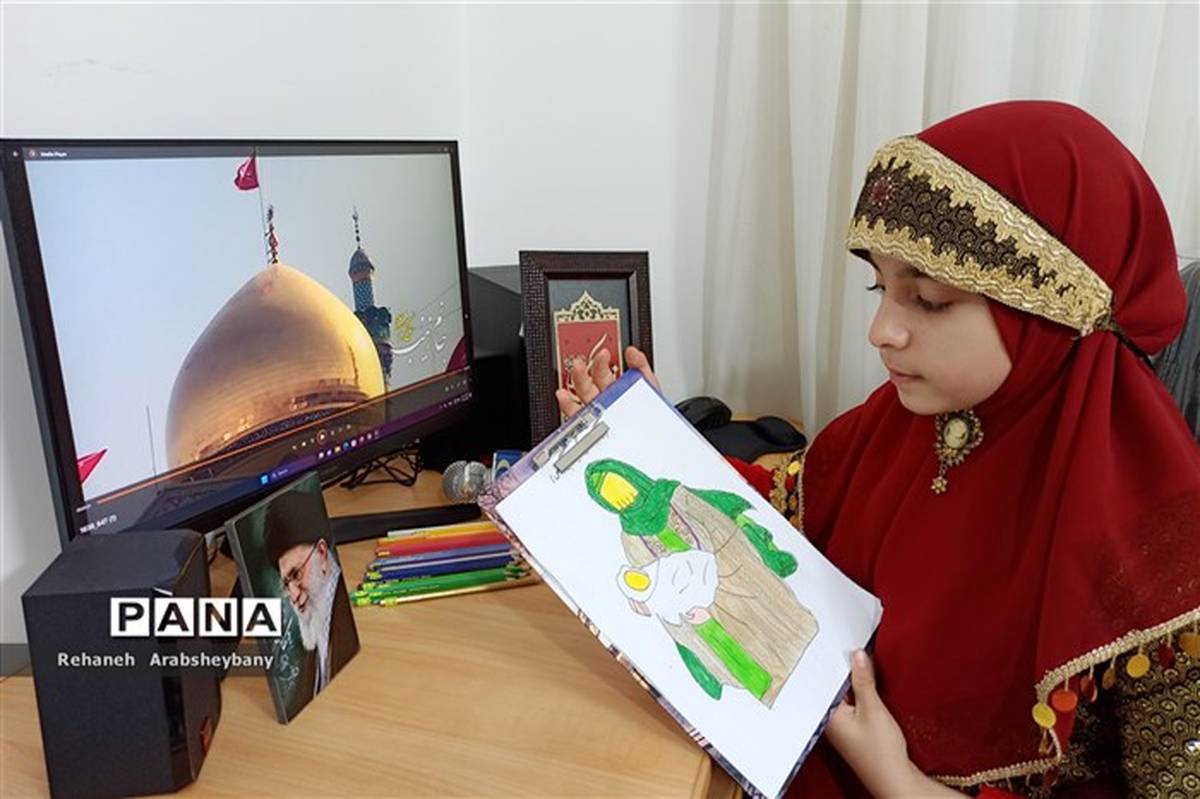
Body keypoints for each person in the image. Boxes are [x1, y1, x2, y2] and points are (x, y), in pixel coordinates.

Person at [556, 101, 1200, 797]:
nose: (881, 330)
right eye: (880, 287)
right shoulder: (910, 423)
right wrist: (653, 442)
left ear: (1048, 314)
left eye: (928, 300)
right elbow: (780, 518)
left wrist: (899, 781)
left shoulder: (1162, 553)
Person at [264, 489, 360, 716]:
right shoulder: (314, 633)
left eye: (296, 574)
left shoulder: (344, 620)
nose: (294, 595)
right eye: (286, 584)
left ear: (322, 554)